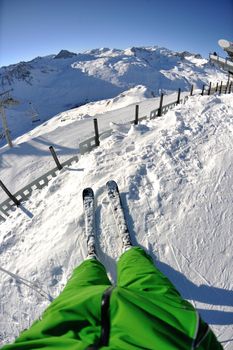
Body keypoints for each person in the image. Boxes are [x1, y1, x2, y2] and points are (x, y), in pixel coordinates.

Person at [2, 185, 223, 349]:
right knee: (142, 273)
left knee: (84, 281)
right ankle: (127, 253)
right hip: (163, 324)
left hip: (66, 323)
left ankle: (93, 261)